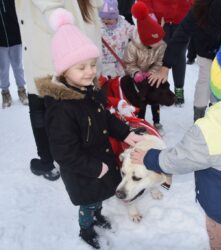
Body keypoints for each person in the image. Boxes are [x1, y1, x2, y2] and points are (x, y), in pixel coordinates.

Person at [131, 38, 221, 250]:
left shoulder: (209, 130)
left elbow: (177, 160)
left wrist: (149, 157)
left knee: (219, 239)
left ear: (216, 86)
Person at [35, 9, 143, 249]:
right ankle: (86, 228)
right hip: (83, 172)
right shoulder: (61, 109)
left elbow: (105, 117)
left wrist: (126, 133)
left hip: (100, 162)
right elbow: (63, 152)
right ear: (64, 71)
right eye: (81, 67)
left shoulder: (89, 91)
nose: (90, 71)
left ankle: (98, 215)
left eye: (92, 64)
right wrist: (95, 168)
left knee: (100, 198)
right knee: (88, 203)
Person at [14, 0, 104, 181]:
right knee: (76, 112)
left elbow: (51, 7)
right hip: (78, 56)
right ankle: (83, 157)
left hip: (51, 56)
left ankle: (50, 162)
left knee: (45, 112)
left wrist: (57, 17)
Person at [148, 0, 221, 121]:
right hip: (209, 47)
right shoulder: (202, 6)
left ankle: (211, 116)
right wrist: (165, 66)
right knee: (209, 80)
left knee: (215, 81)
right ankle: (202, 117)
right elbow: (182, 34)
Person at [123, 2, 167, 134]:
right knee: (140, 100)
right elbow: (129, 63)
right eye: (156, 41)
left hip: (153, 76)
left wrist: (153, 72)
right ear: (146, 40)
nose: (161, 42)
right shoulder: (133, 47)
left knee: (155, 99)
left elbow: (160, 62)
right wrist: (136, 73)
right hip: (138, 78)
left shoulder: (160, 45)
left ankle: (157, 120)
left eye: (161, 39)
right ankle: (140, 120)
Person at [139, 0, 193, 106]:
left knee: (179, 55)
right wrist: (150, 16)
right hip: (160, 22)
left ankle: (179, 89)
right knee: (161, 56)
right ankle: (161, 91)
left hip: (183, 20)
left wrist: (193, 11)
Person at [0, 0, 28, 108]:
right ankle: (5, 92)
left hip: (15, 37)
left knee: (18, 66)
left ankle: (21, 90)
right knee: (2, 69)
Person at [99, 0, 134, 78]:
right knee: (108, 82)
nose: (105, 21)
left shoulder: (123, 25)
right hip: (105, 63)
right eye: (103, 18)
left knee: (120, 81)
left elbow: (133, 33)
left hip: (120, 61)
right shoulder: (98, 26)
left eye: (109, 19)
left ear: (115, 17)